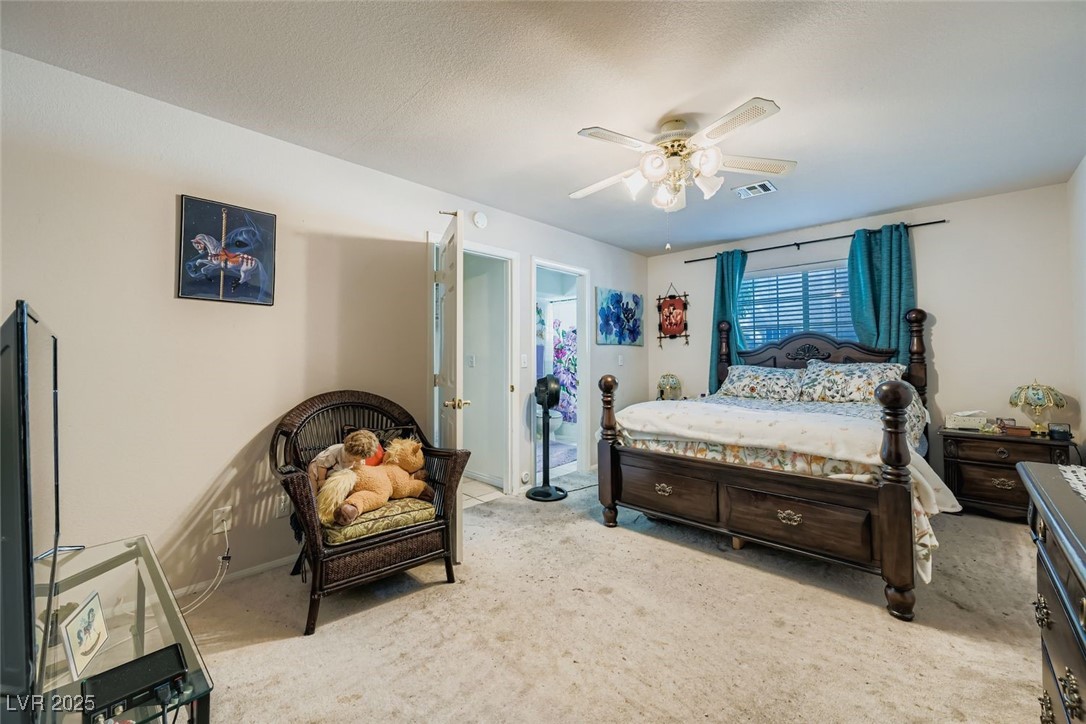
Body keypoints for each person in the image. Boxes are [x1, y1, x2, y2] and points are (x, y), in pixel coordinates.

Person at [306, 429, 379, 492]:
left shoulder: (359, 457)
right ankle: (314, 500)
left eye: (360, 459)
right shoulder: (333, 452)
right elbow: (322, 465)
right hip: (320, 468)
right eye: (354, 458)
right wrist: (321, 480)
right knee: (313, 482)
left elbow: (359, 468)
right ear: (348, 451)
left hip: (337, 471)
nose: (357, 461)